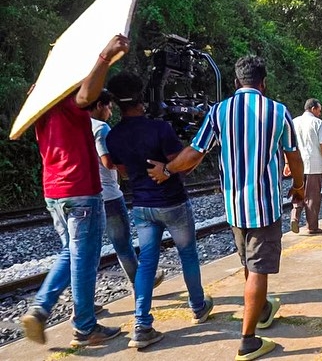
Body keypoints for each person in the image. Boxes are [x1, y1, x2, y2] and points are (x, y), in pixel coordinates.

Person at [147, 55, 305, 361]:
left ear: (235, 83)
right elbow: (293, 157)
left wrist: (166, 169)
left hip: (234, 207)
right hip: (266, 205)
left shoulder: (219, 111)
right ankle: (248, 341)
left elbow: (194, 152)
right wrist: (298, 186)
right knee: (259, 269)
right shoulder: (278, 111)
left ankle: (260, 310)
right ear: (264, 82)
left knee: (250, 265)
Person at [20, 35, 128, 347]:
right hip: (80, 189)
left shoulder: (41, 102)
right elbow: (85, 98)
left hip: (54, 192)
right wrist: (105, 58)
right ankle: (84, 326)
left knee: (71, 252)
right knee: (84, 259)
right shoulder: (69, 99)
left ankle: (40, 309)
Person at [105, 72, 213, 349]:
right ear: (143, 97)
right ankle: (198, 306)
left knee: (147, 262)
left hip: (142, 206)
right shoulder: (161, 129)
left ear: (116, 102)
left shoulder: (114, 136)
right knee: (187, 254)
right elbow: (181, 164)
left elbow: (124, 173)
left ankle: (141, 325)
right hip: (173, 202)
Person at [87, 90, 164, 293]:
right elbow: (108, 161)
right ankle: (139, 283)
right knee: (122, 243)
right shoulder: (101, 128)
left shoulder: (78, 126)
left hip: (88, 194)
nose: (110, 112)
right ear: (98, 106)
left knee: (86, 251)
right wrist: (127, 164)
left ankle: (84, 301)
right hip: (109, 194)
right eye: (108, 107)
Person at [289, 98, 322, 235]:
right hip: (314, 165)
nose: (320, 113)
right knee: (312, 197)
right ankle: (312, 226)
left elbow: (287, 145)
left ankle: (295, 216)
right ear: (313, 108)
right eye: (319, 110)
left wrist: (288, 163)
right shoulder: (318, 123)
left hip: (297, 165)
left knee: (298, 192)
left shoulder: (294, 122)